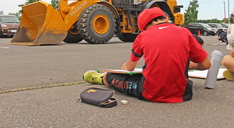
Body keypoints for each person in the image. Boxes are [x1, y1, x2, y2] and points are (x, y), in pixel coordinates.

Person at [83, 7, 211, 103]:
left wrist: (120, 71)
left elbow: (129, 68)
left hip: (149, 93)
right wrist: (182, 64)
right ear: (166, 19)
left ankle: (102, 78)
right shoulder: (185, 32)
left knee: (112, 77)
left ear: (143, 28)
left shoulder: (142, 36)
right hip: (184, 94)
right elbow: (206, 64)